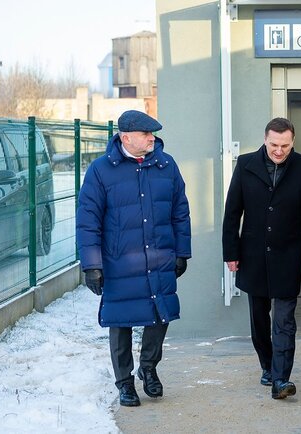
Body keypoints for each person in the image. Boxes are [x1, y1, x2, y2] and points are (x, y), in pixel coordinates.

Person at [76, 110, 191, 407]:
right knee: (121, 320)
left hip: (159, 257)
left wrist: (182, 252)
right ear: (126, 138)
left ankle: (148, 368)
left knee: (161, 315)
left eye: (152, 133)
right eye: (146, 134)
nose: (152, 138)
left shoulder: (166, 165)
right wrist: (92, 265)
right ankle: (124, 382)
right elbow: (88, 221)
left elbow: (180, 212)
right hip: (120, 261)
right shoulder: (101, 170)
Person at [222, 117, 301, 400]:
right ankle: (267, 366)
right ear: (265, 140)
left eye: (285, 146)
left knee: (284, 320)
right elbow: (232, 213)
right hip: (252, 255)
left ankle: (281, 378)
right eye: (274, 145)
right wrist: (231, 253)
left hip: (288, 254)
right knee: (259, 319)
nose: (279, 151)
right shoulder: (245, 164)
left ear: (293, 142)